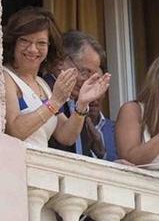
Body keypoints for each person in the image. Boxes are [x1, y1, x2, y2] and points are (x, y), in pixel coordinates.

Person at [1, 7, 111, 221]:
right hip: (19, 181)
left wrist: (81, 105)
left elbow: (65, 135)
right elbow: (15, 129)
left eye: (41, 43)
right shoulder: (6, 77)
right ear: (13, 42)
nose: (33, 49)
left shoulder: (41, 84)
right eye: (25, 41)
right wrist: (55, 102)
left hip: (43, 187)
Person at [47, 31, 118, 161]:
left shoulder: (76, 100)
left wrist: (113, 165)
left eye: (92, 75)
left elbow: (81, 154)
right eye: (84, 72)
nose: (87, 82)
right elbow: (66, 139)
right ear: (60, 62)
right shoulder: (46, 90)